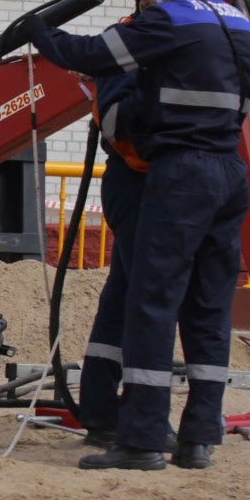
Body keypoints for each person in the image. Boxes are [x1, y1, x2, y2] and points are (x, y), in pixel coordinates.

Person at [28, 0, 250, 471]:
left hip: (182, 174)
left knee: (152, 303)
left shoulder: (170, 19)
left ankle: (143, 440)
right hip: (231, 173)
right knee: (208, 310)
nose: (143, 2)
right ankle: (200, 438)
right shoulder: (241, 24)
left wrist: (38, 30)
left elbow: (91, 55)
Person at [75, 60, 148, 450]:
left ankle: (102, 412)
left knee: (122, 298)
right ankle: (134, 419)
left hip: (135, 182)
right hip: (140, 182)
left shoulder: (147, 39)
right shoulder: (143, 41)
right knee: (145, 301)